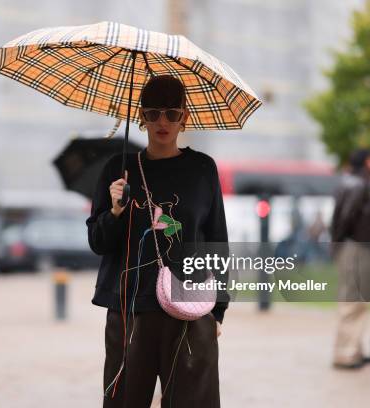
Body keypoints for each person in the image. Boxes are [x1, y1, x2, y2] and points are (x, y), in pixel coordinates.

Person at [86, 75, 229, 407]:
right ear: (141, 117)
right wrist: (115, 211)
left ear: (184, 117)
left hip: (190, 308)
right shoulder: (117, 170)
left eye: (171, 113)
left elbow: (216, 240)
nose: (162, 122)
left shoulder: (203, 169)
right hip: (129, 307)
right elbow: (97, 240)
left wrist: (218, 311)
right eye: (152, 113)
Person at [330, 148, 370, 369]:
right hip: (355, 247)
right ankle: (345, 354)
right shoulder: (358, 185)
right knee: (353, 301)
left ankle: (355, 349)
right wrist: (339, 245)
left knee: (359, 301)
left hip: (355, 246)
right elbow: (345, 218)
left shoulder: (353, 182)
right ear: (368, 161)